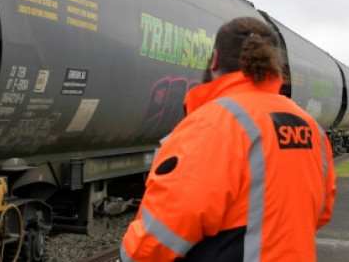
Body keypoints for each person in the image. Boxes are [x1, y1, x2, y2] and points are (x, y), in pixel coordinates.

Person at [120, 16, 336, 261]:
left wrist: (129, 254)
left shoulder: (211, 124)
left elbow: (160, 235)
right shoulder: (310, 127)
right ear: (274, 65)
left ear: (214, 60)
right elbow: (321, 211)